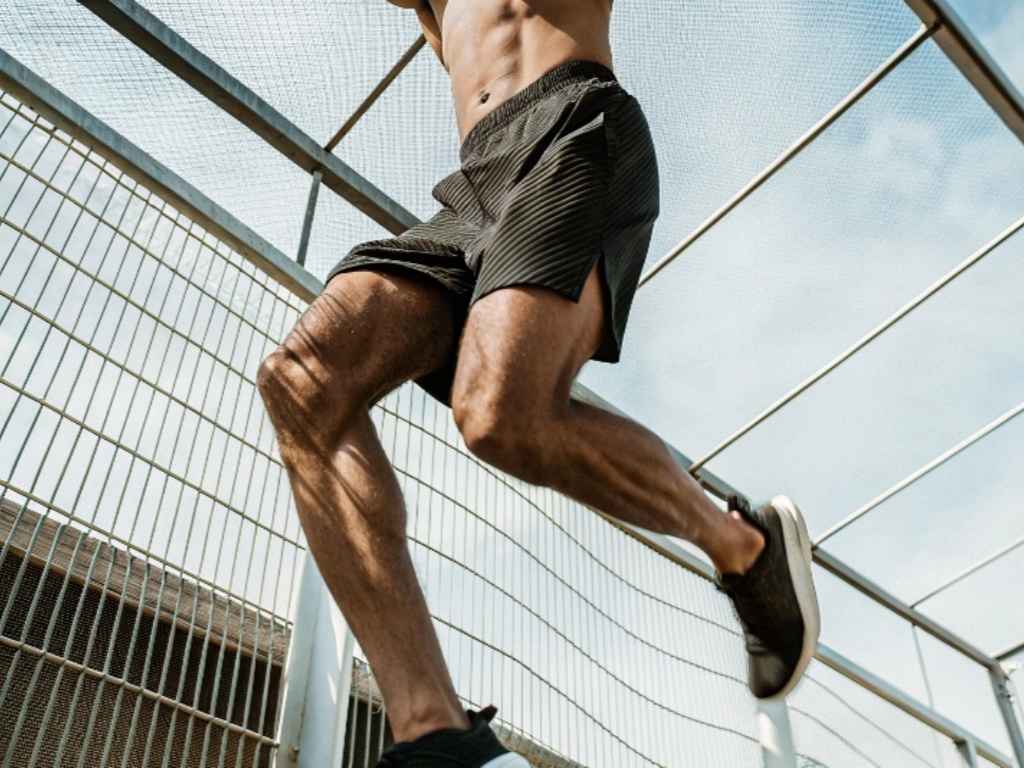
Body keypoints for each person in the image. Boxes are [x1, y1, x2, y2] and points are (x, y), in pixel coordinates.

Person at [257, 1, 820, 765]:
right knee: (304, 382)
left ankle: (743, 547)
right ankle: (437, 738)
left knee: (501, 416)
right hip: (478, 181)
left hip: (575, 126)